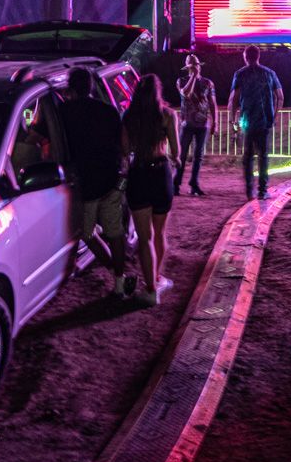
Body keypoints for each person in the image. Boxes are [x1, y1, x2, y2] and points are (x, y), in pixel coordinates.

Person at [28, 68, 130, 297]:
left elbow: (33, 137)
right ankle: (120, 280)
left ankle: (112, 266)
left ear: (70, 88)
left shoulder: (62, 112)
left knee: (85, 232)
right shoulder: (108, 110)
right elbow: (123, 145)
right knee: (115, 232)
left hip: (84, 182)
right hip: (111, 179)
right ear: (92, 87)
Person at [121, 74, 179, 305]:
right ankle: (156, 277)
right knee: (160, 233)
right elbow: (176, 151)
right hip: (160, 173)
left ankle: (151, 289)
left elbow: (125, 151)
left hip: (138, 174)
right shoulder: (167, 115)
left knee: (144, 237)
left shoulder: (129, 116)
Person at [227, 45, 283, 201]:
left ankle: (249, 190)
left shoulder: (240, 74)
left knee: (248, 156)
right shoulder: (270, 73)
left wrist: (233, 120)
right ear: (258, 56)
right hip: (265, 121)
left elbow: (234, 99)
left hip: (247, 120)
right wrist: (275, 116)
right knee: (263, 156)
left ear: (245, 57)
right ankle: (262, 190)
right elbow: (280, 96)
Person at [173, 55, 215, 196]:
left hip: (203, 124)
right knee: (182, 155)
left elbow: (212, 102)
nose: (196, 67)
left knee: (199, 156)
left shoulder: (208, 83)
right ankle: (176, 184)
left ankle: (194, 184)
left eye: (197, 65)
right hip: (187, 123)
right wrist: (193, 77)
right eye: (193, 66)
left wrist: (214, 121)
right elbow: (186, 93)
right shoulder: (182, 81)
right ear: (188, 68)